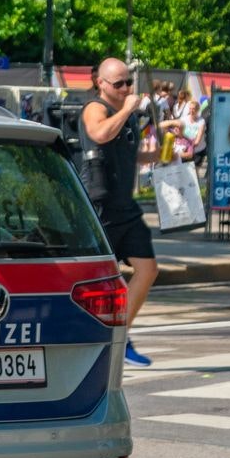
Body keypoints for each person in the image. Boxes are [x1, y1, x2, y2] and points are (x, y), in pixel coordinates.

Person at [79, 57, 161, 367]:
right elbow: (100, 134)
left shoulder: (124, 116)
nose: (126, 88)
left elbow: (127, 151)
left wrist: (155, 155)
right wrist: (128, 108)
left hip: (125, 207)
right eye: (119, 83)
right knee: (97, 279)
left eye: (129, 82)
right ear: (100, 83)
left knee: (148, 269)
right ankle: (96, 338)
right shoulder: (95, 108)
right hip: (101, 207)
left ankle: (120, 337)